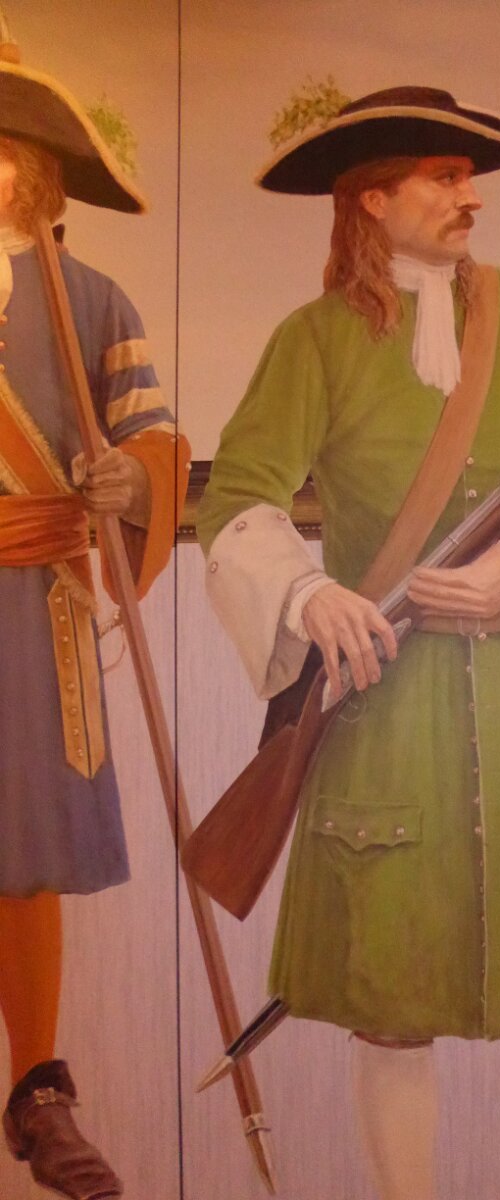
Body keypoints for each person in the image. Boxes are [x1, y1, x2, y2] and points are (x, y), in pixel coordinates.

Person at [198, 85, 500, 1200]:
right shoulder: (312, 340)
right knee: (391, 1013)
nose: (472, 198)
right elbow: (238, 502)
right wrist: (310, 598)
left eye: (469, 178)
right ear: (374, 198)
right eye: (446, 177)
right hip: (386, 698)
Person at [0, 46, 189, 1200]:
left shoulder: (93, 302)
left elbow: (150, 436)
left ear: (36, 171)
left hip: (33, 607)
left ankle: (38, 1089)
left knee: (23, 846)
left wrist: (130, 482)